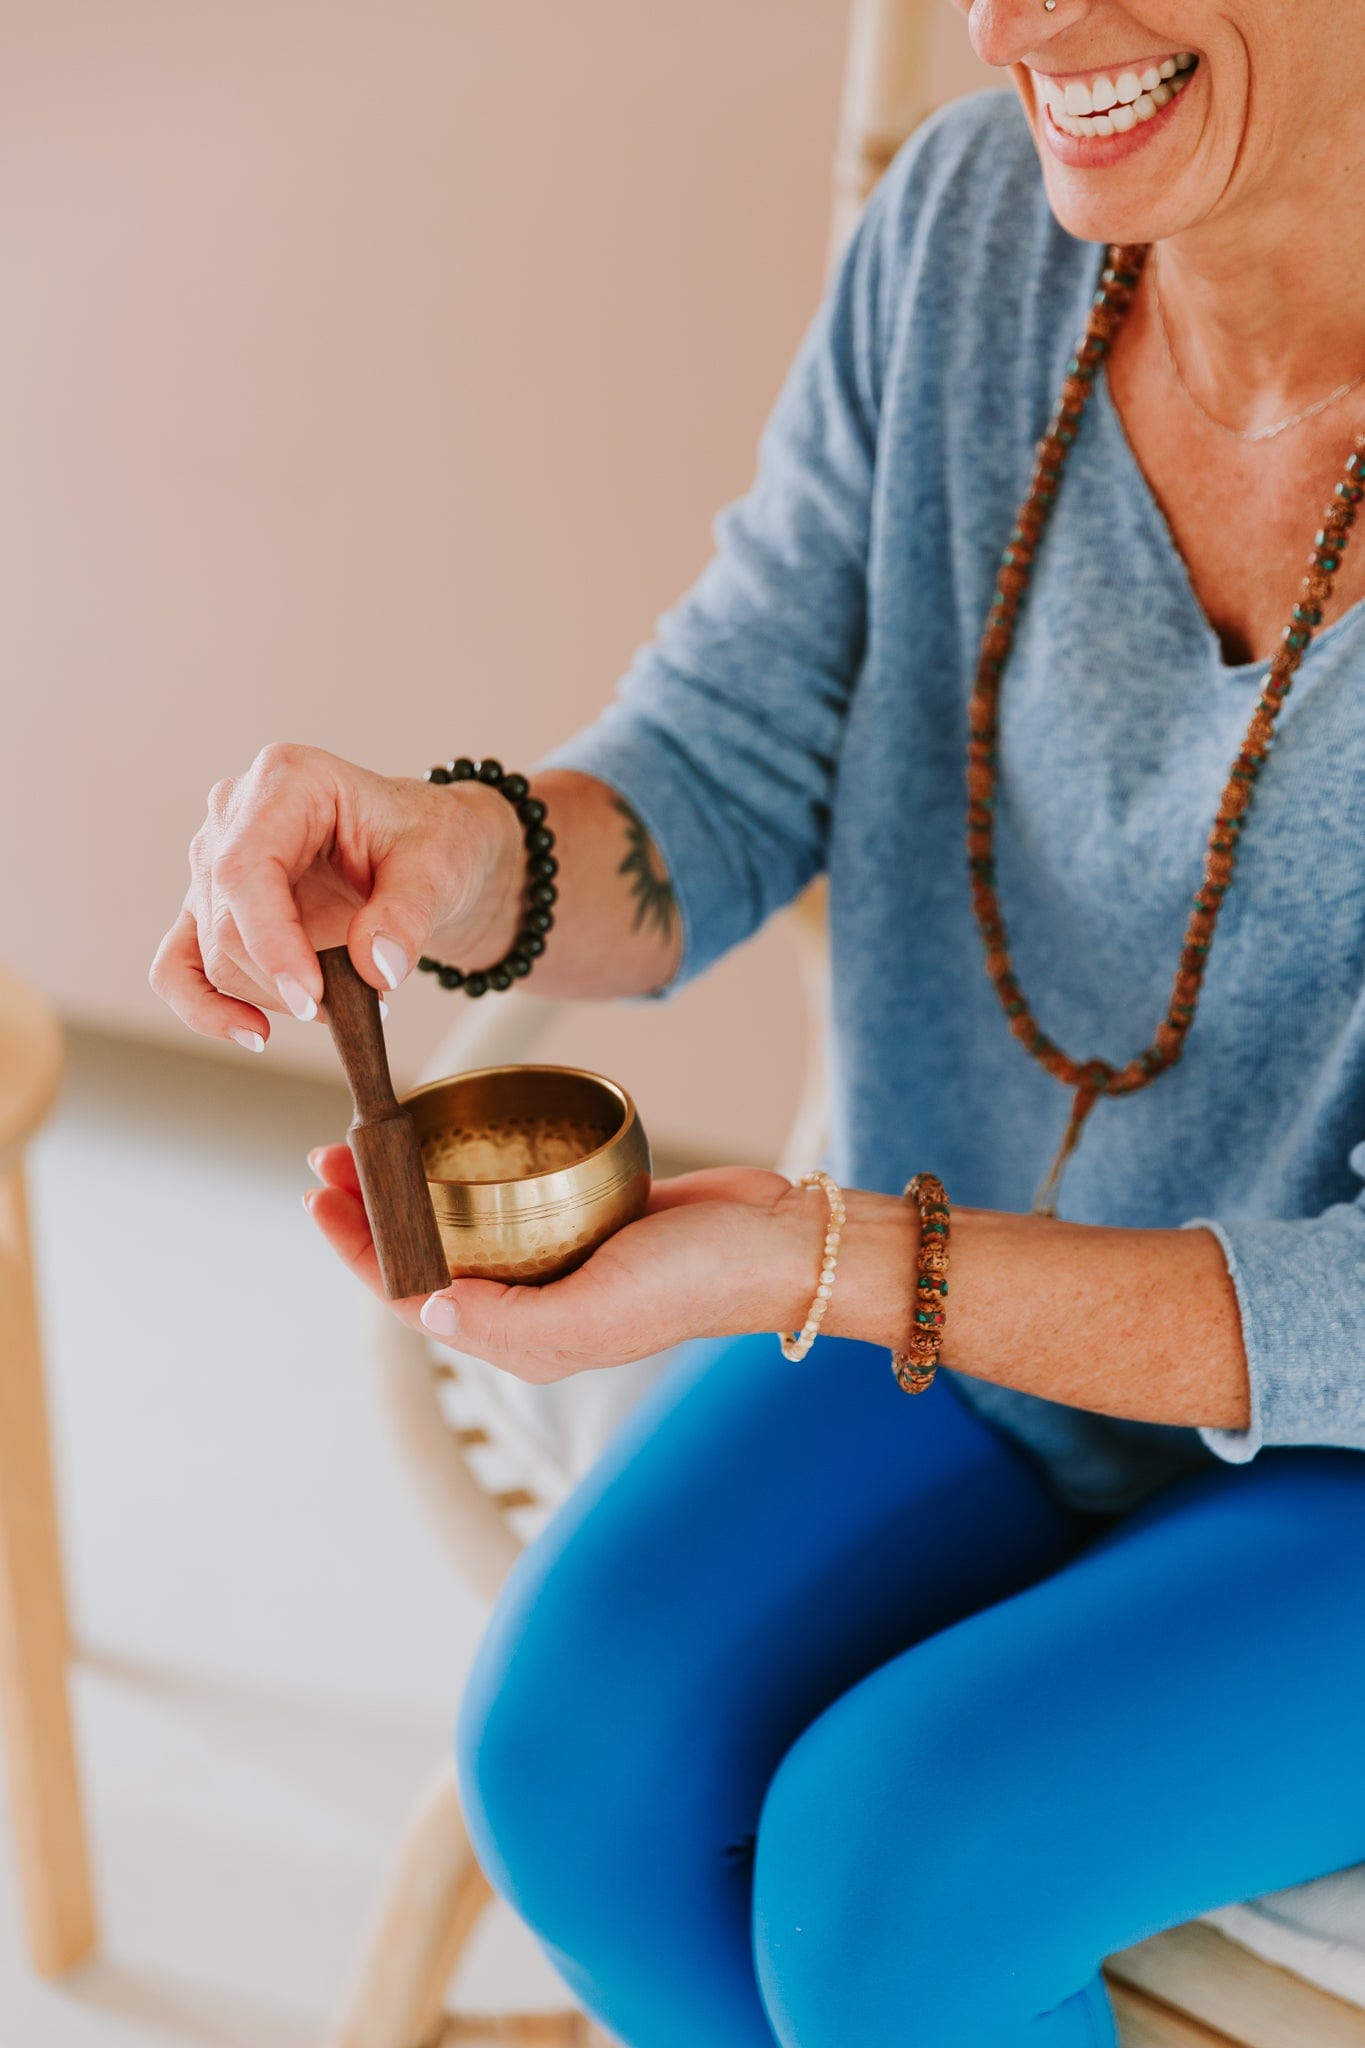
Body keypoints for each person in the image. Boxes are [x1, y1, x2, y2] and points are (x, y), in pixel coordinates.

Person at [150, 1, 1365, 2040]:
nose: (1002, 27)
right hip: (963, 1306)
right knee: (574, 1764)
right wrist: (451, 856)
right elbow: (728, 753)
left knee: (891, 1876)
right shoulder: (969, 233)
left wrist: (812, 1256)